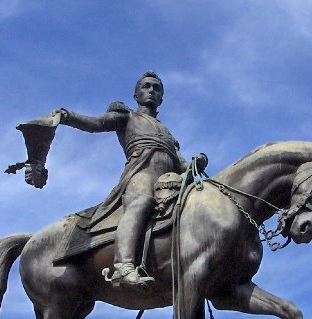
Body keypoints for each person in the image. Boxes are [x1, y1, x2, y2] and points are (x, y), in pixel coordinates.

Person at [54, 71, 208, 288]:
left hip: (167, 181)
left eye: (156, 88)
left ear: (161, 98)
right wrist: (68, 116)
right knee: (141, 201)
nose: (152, 91)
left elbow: (181, 165)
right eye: (146, 87)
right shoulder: (127, 117)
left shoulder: (167, 134)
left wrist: (196, 164)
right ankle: (123, 267)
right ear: (136, 95)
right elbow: (96, 123)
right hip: (140, 174)